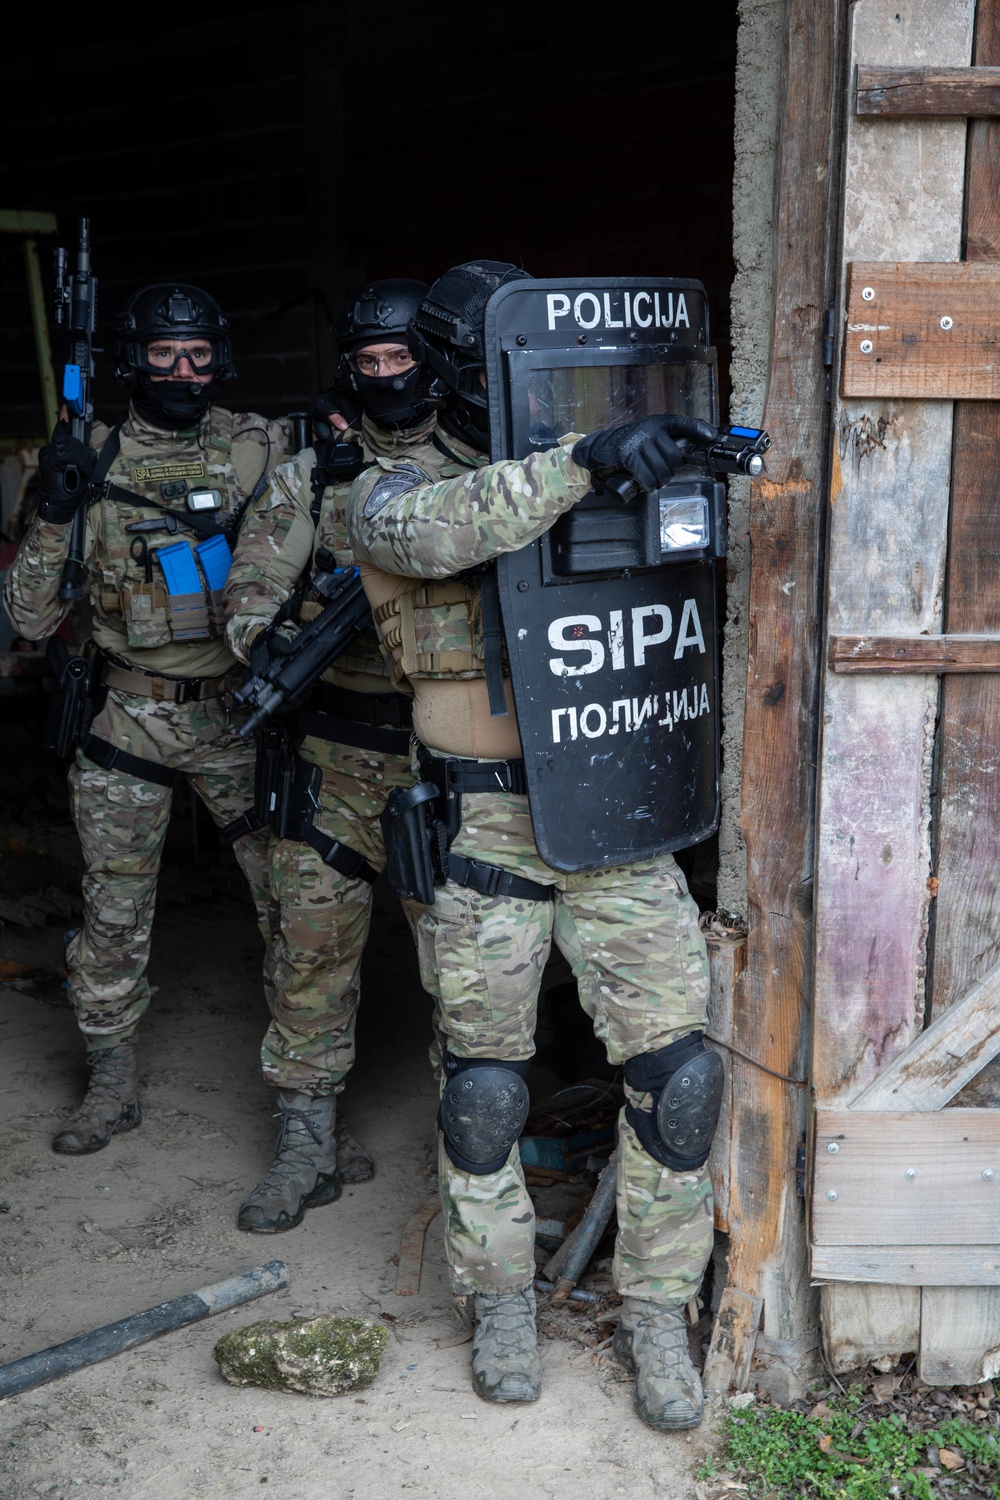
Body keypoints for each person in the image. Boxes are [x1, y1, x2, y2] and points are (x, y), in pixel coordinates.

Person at [345, 262, 716, 1431]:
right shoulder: (384, 486)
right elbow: (448, 529)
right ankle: (502, 1300)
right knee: (485, 1094)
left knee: (676, 1084)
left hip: (615, 812)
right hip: (486, 824)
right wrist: (584, 462)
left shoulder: (611, 460)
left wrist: (666, 460)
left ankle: (656, 1311)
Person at [3, 283, 288, 1156]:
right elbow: (28, 618)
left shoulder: (256, 447)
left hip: (236, 718)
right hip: (127, 718)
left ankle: (306, 1101)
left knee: (296, 907)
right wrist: (55, 509)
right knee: (114, 913)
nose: (183, 369)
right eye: (165, 353)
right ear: (135, 359)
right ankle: (112, 1081)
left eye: (198, 352)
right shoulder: (85, 454)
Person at [223, 278, 450, 1232]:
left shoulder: (474, 468)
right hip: (332, 760)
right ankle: (305, 1141)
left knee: (465, 971)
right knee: (308, 956)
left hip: (449, 762)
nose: (388, 377)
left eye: (402, 360)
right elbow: (245, 604)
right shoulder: (309, 477)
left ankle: (471, 1162)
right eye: (371, 363)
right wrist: (294, 624)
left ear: (428, 362)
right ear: (350, 368)